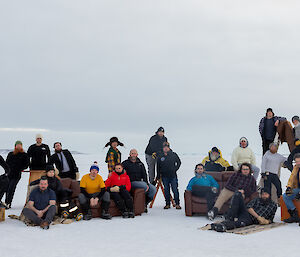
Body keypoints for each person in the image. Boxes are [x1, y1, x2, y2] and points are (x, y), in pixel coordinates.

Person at [209, 188, 277, 232]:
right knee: (238, 194)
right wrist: (258, 217)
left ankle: (223, 226)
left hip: (250, 219)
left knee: (240, 223)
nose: (264, 196)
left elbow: (271, 218)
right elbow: (248, 207)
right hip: (246, 212)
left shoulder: (273, 205)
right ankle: (230, 218)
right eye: (263, 194)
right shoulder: (257, 199)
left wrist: (266, 221)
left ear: (269, 195)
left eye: (266, 194)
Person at [157, 142, 181, 209]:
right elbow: (158, 166)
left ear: (169, 147)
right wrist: (158, 176)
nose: (165, 148)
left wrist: (175, 169)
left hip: (173, 176)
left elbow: (179, 162)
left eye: (167, 147)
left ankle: (177, 203)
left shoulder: (173, 154)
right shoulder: (160, 156)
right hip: (164, 176)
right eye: (164, 147)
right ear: (163, 148)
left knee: (175, 190)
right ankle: (167, 204)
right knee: (166, 190)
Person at [5, 141, 29, 209]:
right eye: (17, 145)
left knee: (11, 188)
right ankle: (6, 202)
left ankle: (8, 203)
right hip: (9, 174)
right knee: (6, 188)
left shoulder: (24, 155)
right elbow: (6, 163)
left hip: (16, 174)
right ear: (15, 146)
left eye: (20, 145)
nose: (18, 147)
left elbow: (26, 164)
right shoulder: (10, 154)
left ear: (21, 146)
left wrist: (20, 169)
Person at [282, 153, 300, 223]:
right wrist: (289, 187)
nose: (298, 163)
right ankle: (294, 215)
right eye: (296, 161)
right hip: (297, 188)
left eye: (299, 161)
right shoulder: (296, 167)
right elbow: (291, 178)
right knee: (285, 196)